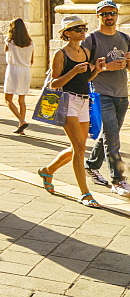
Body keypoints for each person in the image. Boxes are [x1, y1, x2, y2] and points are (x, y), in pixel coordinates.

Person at [39, 16, 107, 208]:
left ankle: (48, 169)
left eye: (84, 28)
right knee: (79, 148)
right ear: (67, 33)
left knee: (79, 147)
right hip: (67, 101)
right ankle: (85, 193)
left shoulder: (85, 52)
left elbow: (85, 80)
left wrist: (97, 71)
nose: (82, 31)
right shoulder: (60, 54)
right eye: (78, 29)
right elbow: (54, 83)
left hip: (84, 101)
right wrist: (73, 72)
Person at [83, 0, 130, 197]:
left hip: (122, 94)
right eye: (104, 14)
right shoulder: (91, 40)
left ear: (117, 14)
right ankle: (118, 180)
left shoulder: (126, 38)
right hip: (101, 94)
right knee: (113, 138)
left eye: (112, 13)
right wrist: (103, 67)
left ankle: (92, 164)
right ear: (98, 16)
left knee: (108, 135)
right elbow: (82, 71)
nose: (109, 17)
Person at [4, 18, 34, 135]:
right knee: (22, 100)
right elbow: (32, 60)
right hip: (26, 70)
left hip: (13, 68)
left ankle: (21, 121)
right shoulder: (30, 42)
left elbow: (5, 51)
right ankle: (21, 127)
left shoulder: (9, 40)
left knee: (8, 99)